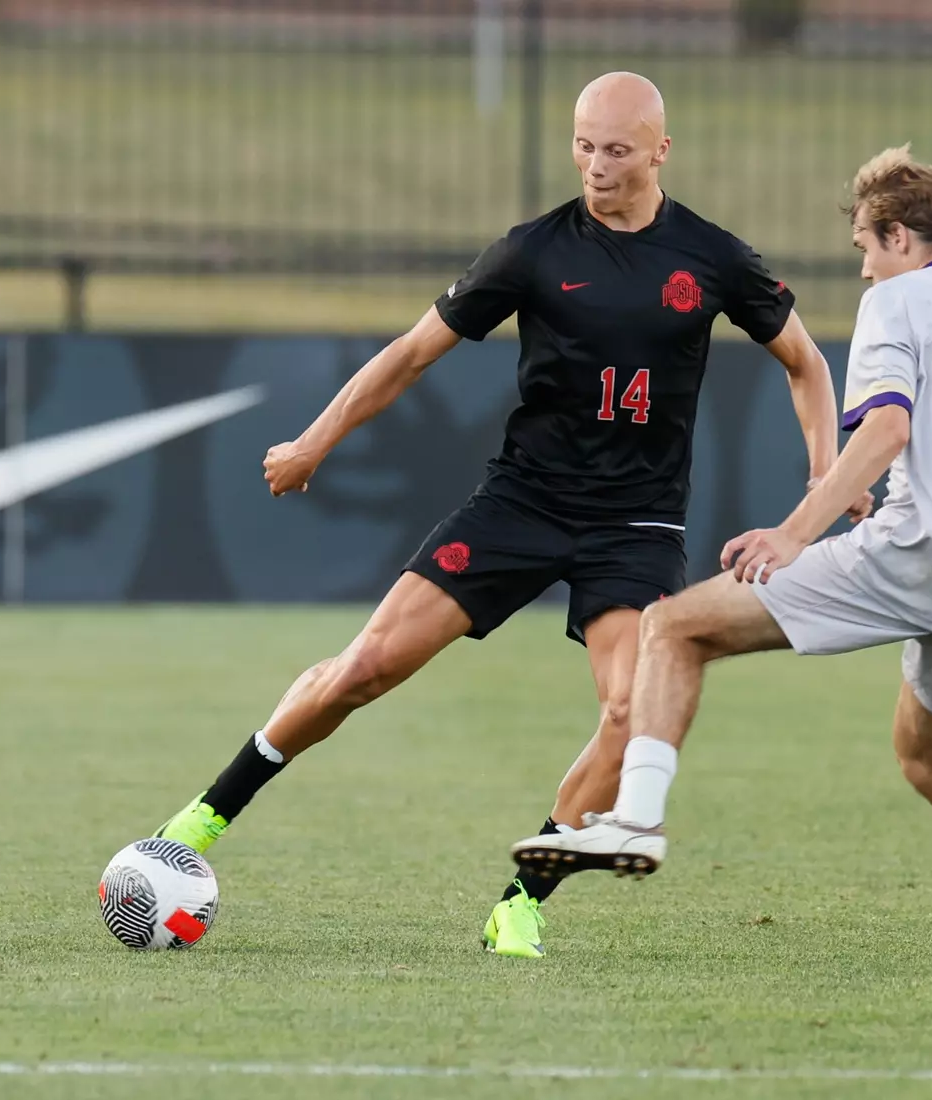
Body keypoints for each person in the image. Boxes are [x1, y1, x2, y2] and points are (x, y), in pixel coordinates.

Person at [152, 72, 867, 960]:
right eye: (582, 145)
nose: (595, 165)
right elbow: (412, 354)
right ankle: (206, 815)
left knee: (625, 711)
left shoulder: (713, 258)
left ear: (659, 150)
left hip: (636, 525)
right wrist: (311, 443)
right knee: (367, 668)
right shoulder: (531, 252)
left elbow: (805, 363)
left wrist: (824, 477)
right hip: (520, 502)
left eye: (614, 149)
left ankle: (522, 901)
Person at [511, 146, 932, 970]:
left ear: (898, 235)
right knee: (930, 758)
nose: (863, 269)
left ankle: (636, 817)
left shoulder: (899, 303)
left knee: (673, 627)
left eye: (864, 245)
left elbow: (889, 427)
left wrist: (797, 532)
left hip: (916, 553)